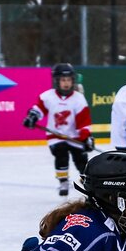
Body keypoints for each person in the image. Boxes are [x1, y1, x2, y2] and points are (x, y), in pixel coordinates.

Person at [23, 63, 95, 196]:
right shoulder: (47, 96)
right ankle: (63, 181)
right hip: (55, 136)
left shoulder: (78, 99)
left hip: (75, 136)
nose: (66, 83)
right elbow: (39, 109)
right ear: (56, 81)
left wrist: (86, 137)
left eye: (68, 80)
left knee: (81, 160)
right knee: (61, 155)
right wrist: (32, 117)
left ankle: (88, 182)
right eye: (63, 80)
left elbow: (84, 121)